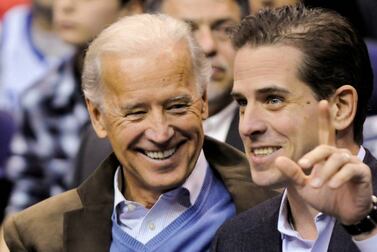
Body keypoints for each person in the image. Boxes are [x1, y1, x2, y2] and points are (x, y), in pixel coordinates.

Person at [2, 14, 275, 251]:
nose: (160, 132)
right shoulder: (38, 235)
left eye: (177, 106)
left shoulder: (278, 207)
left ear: (202, 101)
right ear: (97, 116)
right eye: (136, 112)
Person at [211, 5, 377, 251]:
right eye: (242, 103)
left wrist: (366, 225)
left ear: (341, 107)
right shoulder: (234, 239)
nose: (247, 126)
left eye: (273, 99)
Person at [71, 0, 250, 187]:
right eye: (188, 29)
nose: (207, 46)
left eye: (224, 29)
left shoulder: (267, 136)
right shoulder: (96, 148)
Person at [3, 0, 143, 214]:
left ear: (131, 9)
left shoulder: (155, 94)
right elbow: (27, 195)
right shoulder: (40, 98)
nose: (64, 6)